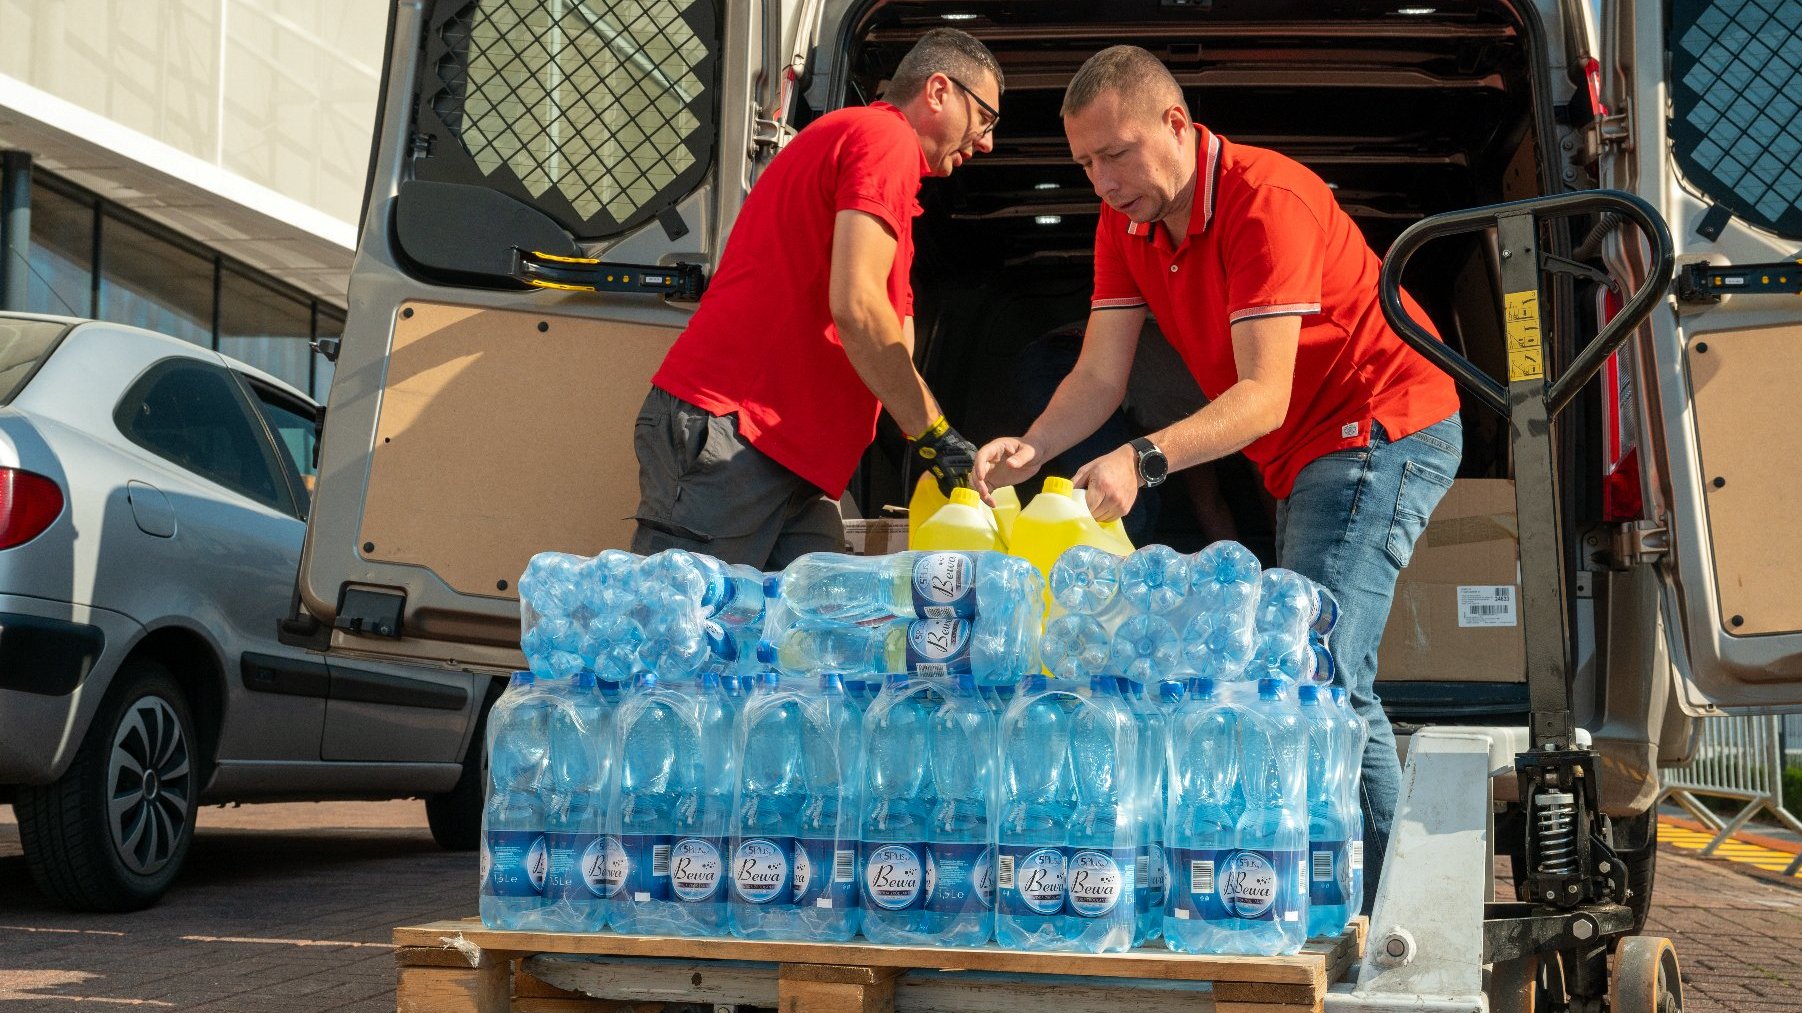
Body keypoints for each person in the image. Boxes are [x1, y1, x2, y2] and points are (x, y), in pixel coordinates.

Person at [973, 45, 1463, 912]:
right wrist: (1034, 444)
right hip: (1307, 448)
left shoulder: (1264, 202)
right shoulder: (1124, 222)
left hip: (1381, 425)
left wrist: (1143, 456)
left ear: (1176, 124)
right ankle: (1351, 896)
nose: (1102, 179)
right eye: (1085, 162)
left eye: (1115, 152)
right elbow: (1099, 376)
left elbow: (1264, 396)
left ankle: (1395, 922)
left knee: (1316, 671)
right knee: (1312, 669)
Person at [632, 29, 1003, 568]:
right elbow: (857, 308)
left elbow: (891, 330)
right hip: (738, 434)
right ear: (939, 91)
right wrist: (935, 432)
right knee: (681, 635)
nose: (987, 142)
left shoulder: (875, 161)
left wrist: (928, 439)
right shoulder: (885, 139)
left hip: (787, 455)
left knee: (811, 637)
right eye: (986, 118)